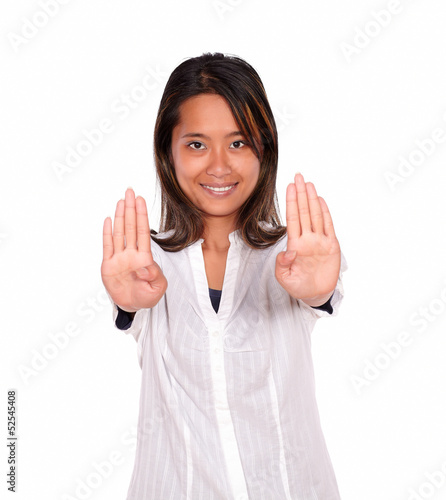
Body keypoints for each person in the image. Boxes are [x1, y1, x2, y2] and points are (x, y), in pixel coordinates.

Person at [101, 52, 348, 500]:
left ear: (265, 148)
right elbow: (131, 306)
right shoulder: (145, 262)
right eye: (196, 144)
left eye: (238, 143)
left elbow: (323, 290)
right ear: (167, 152)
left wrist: (319, 292)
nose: (219, 165)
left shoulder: (293, 255)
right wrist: (127, 303)